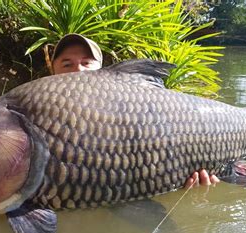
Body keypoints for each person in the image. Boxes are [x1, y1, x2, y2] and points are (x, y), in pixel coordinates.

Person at [51, 33, 220, 188]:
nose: (78, 70)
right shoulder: (36, 111)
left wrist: (188, 182)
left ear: (101, 70)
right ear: (52, 70)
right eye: (67, 64)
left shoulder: (139, 109)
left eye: (86, 63)